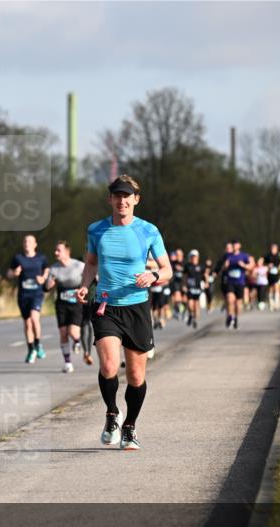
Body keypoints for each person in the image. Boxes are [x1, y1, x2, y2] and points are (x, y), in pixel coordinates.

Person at [76, 175, 171, 451]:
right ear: (110, 199)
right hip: (106, 306)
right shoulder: (96, 230)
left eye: (127, 196)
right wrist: (84, 285)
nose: (122, 201)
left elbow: (167, 269)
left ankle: (129, 426)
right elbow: (91, 263)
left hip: (136, 307)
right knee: (108, 366)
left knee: (136, 376)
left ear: (135, 200)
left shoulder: (148, 231)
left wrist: (153, 275)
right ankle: (111, 413)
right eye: (117, 196)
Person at [7, 234, 50, 363]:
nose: (27, 243)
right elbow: (9, 273)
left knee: (34, 318)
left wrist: (43, 278)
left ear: (35, 244)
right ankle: (31, 349)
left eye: (30, 242)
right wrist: (14, 273)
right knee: (27, 323)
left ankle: (38, 344)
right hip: (23, 295)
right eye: (25, 241)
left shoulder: (41, 258)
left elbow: (47, 269)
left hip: (36, 294)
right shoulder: (18, 258)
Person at [45, 240, 86, 373]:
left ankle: (77, 341)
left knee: (73, 332)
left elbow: (90, 279)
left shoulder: (79, 265)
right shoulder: (54, 268)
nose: (56, 253)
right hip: (61, 303)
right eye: (55, 250)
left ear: (67, 252)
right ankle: (67, 363)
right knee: (63, 333)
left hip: (76, 302)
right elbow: (46, 287)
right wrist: (48, 285)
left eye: (59, 250)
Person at [222, 239, 251, 329]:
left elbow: (251, 267)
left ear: (239, 246)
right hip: (230, 282)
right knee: (230, 299)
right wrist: (225, 266)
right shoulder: (227, 256)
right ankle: (230, 316)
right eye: (233, 245)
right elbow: (222, 268)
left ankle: (236, 318)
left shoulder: (244, 256)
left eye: (236, 245)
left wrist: (244, 265)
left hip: (240, 282)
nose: (234, 246)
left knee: (238, 304)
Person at [183, 249, 206, 328]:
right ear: (190, 257)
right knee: (190, 304)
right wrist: (184, 285)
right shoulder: (187, 266)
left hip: (198, 288)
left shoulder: (201, 266)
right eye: (192, 257)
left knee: (196, 305)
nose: (194, 258)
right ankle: (190, 314)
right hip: (190, 288)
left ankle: (195, 320)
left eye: (195, 257)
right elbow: (184, 276)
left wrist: (206, 283)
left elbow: (205, 275)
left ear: (198, 257)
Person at [263, 243, 280, 311]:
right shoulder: (267, 256)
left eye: (275, 248)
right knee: (270, 288)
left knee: (276, 287)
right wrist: (268, 266)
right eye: (273, 248)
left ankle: (276, 303)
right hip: (270, 274)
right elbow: (263, 264)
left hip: (277, 274)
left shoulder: (279, 256)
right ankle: (271, 303)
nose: (274, 250)